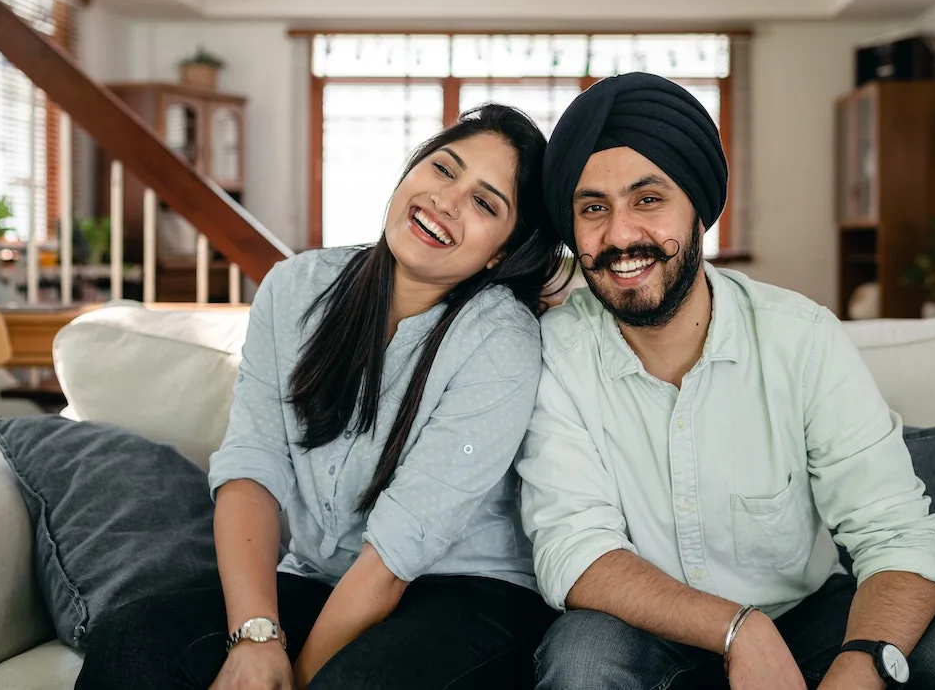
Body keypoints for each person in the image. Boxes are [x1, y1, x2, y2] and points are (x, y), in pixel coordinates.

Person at [516, 72, 935, 690]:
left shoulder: (801, 338)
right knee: (582, 664)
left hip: (803, 612)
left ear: (699, 208)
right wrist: (737, 628)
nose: (620, 236)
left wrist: (862, 665)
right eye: (593, 208)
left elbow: (895, 531)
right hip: (638, 624)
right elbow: (574, 551)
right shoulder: (557, 353)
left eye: (648, 200)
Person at [76, 103, 568, 690]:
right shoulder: (297, 288)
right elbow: (251, 468)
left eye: (486, 203)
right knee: (131, 642)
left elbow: (395, 553)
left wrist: (294, 679)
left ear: (501, 253)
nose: (446, 200)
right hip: (318, 576)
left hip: (465, 589)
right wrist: (256, 637)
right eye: (443, 169)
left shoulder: (501, 340)